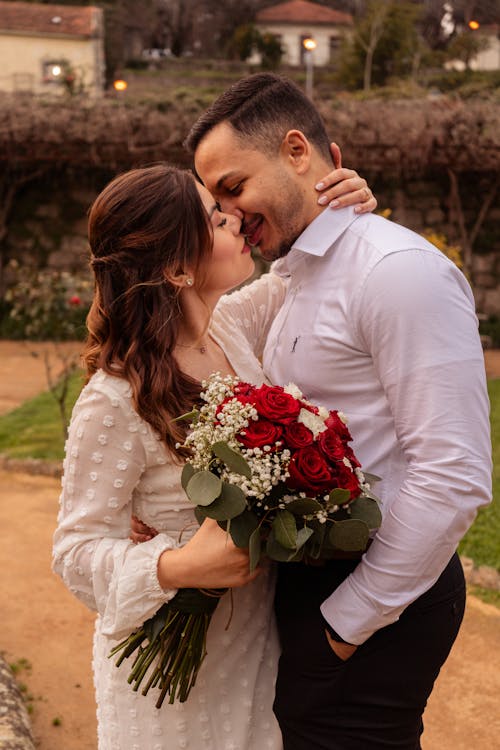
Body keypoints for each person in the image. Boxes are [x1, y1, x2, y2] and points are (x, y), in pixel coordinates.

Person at [185, 72, 492, 749]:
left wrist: (343, 626)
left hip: (375, 596)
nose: (229, 215)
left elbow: (454, 473)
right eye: (216, 202)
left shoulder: (398, 272)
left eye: (233, 188)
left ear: (298, 151)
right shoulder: (294, 278)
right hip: (319, 581)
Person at [52, 160, 376, 750]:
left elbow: (298, 276)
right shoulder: (114, 396)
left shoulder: (229, 329)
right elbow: (73, 553)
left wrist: (341, 207)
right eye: (215, 216)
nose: (236, 220)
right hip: (167, 683)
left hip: (253, 651)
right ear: (177, 268)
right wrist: (176, 567)